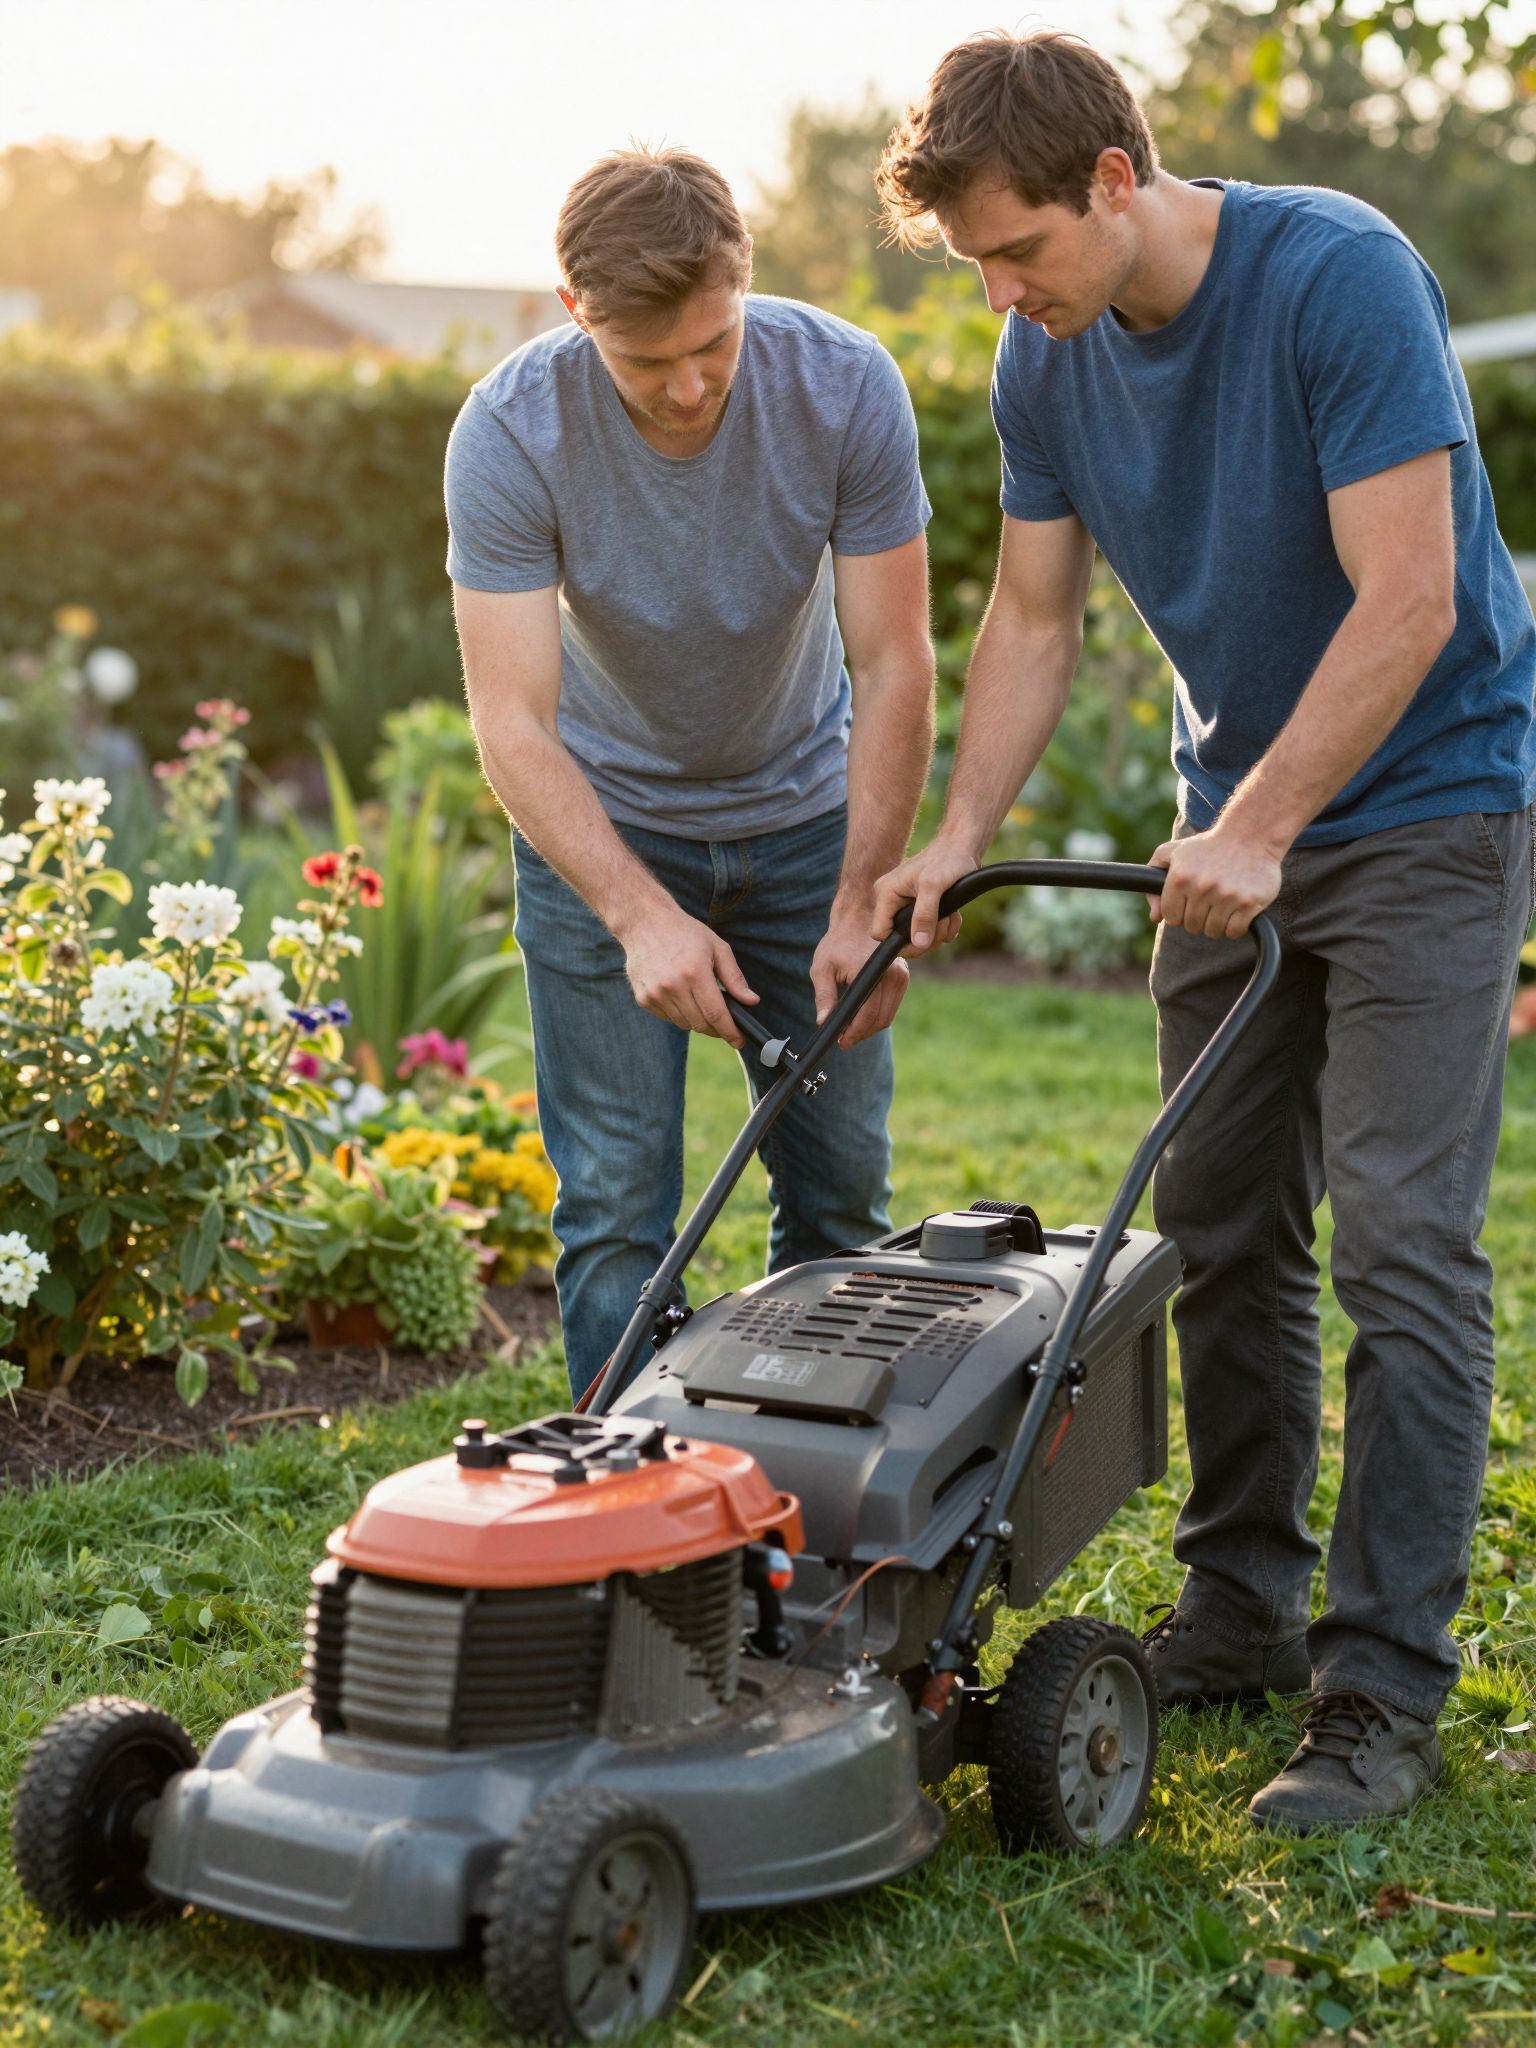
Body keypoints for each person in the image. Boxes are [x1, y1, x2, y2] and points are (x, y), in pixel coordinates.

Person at [870, 30, 1536, 1830]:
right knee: (1221, 1228)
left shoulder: (1339, 277)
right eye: (975, 268)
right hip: (1233, 830)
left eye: (1017, 249)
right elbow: (1029, 618)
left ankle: (1380, 1688)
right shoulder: (1046, 355)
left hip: (1429, 806)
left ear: (1111, 175)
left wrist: (1259, 821)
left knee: (1406, 1240)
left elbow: (1408, 601)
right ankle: (1239, 1605)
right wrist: (958, 839)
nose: (1002, 292)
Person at [446, 147, 935, 1402]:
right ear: (575, 315)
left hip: (806, 822)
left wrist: (859, 891)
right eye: (643, 361)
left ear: (745, 276)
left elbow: (893, 661)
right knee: (615, 1203)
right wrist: (631, 908)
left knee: (839, 1190)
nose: (686, 385)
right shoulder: (511, 428)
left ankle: (813, 1494)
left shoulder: (844, 385)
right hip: (606, 830)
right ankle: (628, 1514)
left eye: (709, 342)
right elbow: (510, 719)